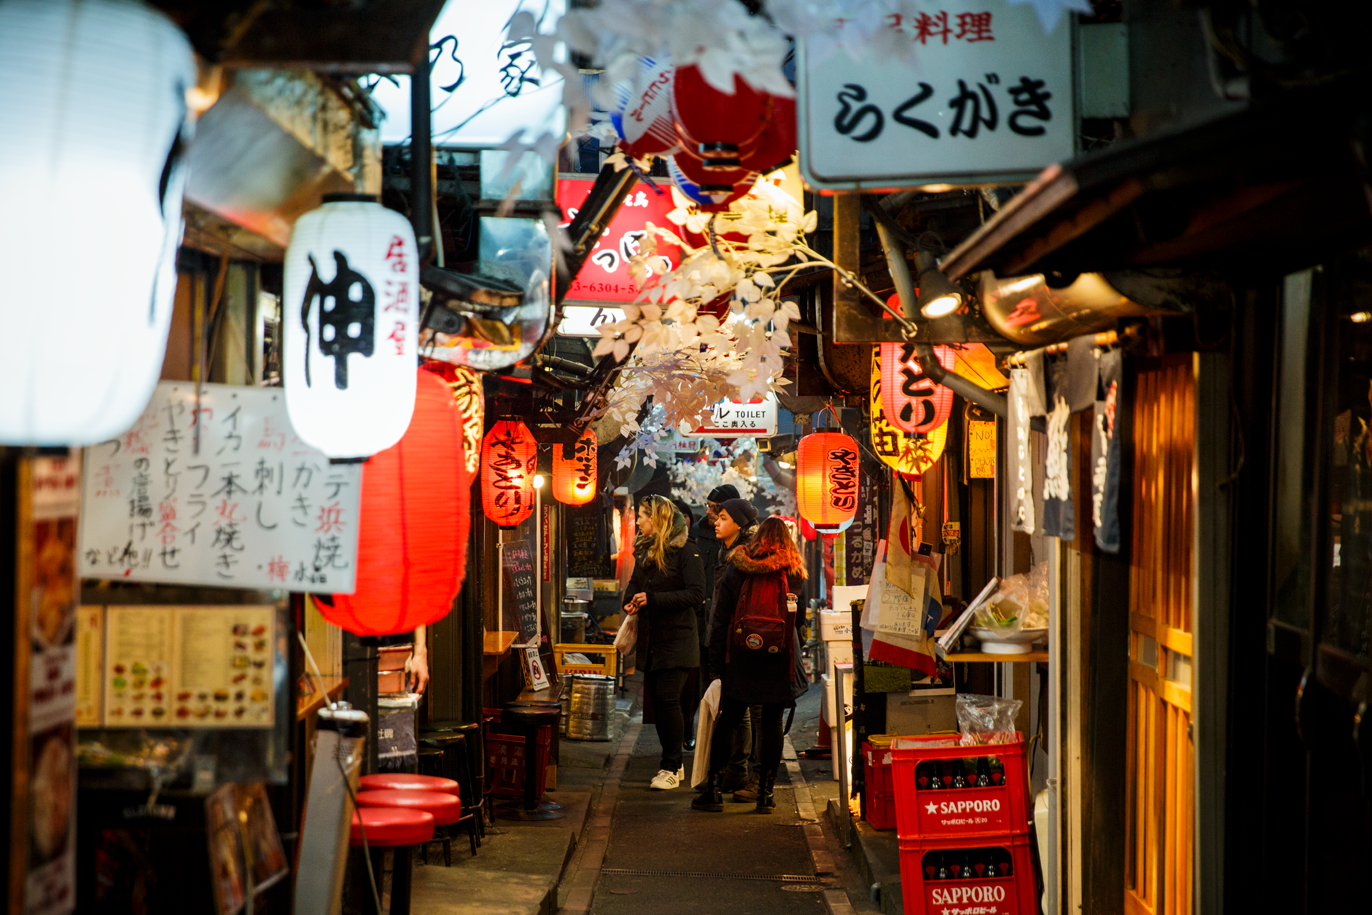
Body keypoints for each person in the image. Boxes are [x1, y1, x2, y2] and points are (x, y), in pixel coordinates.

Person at [694, 516, 806, 814]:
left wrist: (717, 665)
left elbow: (720, 619)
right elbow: (800, 622)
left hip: (740, 658)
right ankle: (765, 794)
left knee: (728, 721)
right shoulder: (794, 572)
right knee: (771, 724)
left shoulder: (737, 567)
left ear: (757, 540)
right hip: (778, 659)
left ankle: (714, 791)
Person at [624, 495, 705, 790]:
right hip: (652, 639)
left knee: (669, 700)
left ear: (658, 520)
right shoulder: (644, 552)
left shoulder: (687, 552)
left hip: (678, 640)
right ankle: (676, 764)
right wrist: (629, 601)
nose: (638, 521)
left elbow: (695, 594)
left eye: (643, 516)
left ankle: (670, 767)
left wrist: (653, 599)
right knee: (659, 704)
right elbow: (635, 583)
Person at [706, 497, 762, 801]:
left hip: (738, 646)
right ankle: (744, 776)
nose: (716, 521)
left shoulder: (742, 558)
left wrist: (717, 654)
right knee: (744, 715)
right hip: (740, 645)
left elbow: (725, 611)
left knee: (739, 714)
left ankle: (727, 778)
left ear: (739, 524)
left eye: (723, 517)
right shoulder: (726, 553)